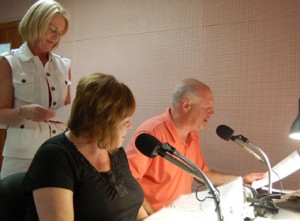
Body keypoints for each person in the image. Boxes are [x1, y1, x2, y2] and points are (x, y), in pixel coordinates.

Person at [126, 78, 265, 213]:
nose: (212, 113)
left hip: (180, 213)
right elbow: (127, 183)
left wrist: (241, 180)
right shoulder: (151, 133)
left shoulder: (192, 136)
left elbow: (202, 174)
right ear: (186, 105)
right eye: (207, 108)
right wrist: (151, 216)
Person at [23, 73, 149, 221]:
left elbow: (134, 207)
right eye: (124, 121)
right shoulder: (54, 157)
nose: (130, 126)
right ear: (101, 122)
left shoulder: (114, 151)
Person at [0, 0, 71, 179]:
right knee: (15, 204)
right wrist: (24, 112)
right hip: (22, 155)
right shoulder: (9, 62)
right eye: (51, 29)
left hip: (59, 151)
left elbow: (69, 111)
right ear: (35, 22)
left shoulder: (64, 65)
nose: (56, 37)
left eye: (60, 33)